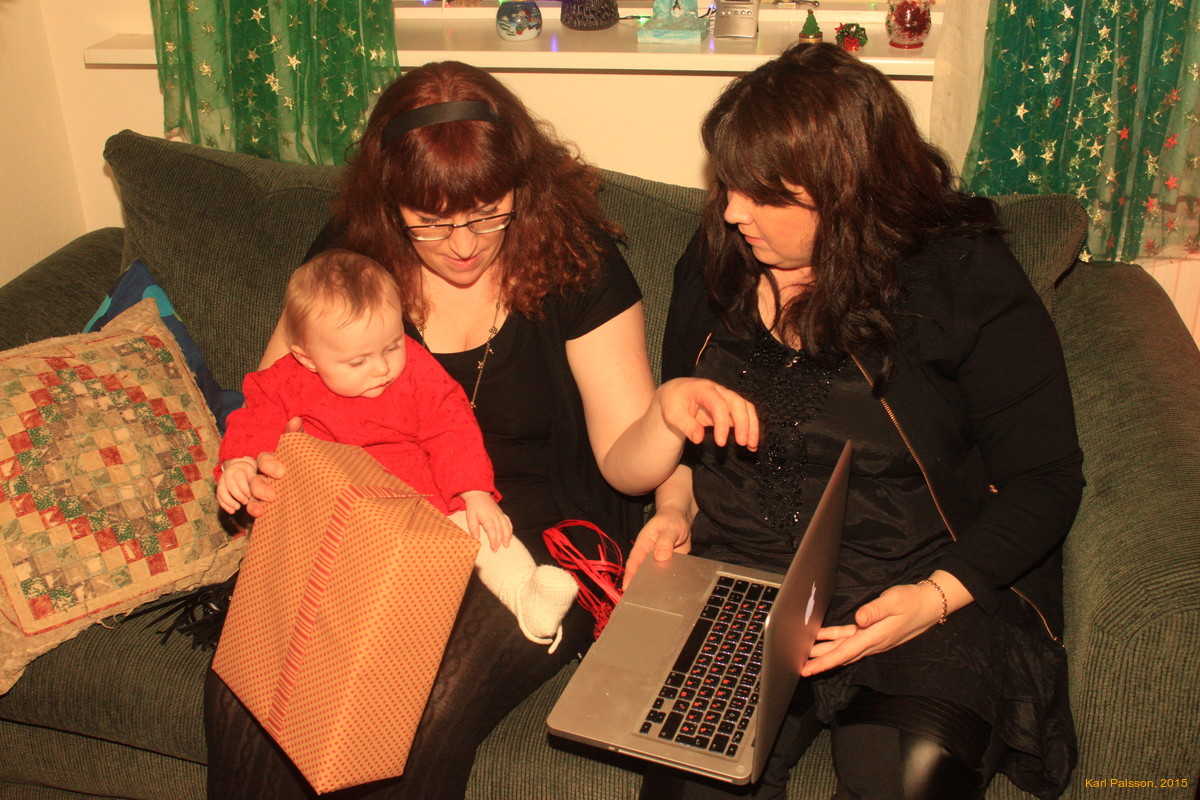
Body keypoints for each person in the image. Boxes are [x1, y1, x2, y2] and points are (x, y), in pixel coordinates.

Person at [620, 43, 1084, 800]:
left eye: (766, 194)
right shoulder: (717, 261)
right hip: (742, 582)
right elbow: (681, 421)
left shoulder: (960, 277)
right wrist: (674, 507)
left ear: (847, 191)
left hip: (914, 589)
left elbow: (1048, 478)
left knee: (905, 784)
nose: (734, 211)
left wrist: (937, 596)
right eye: (730, 185)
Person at [202, 60, 669, 800]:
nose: (462, 243)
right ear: (390, 201)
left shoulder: (577, 260)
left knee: (413, 711)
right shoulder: (350, 254)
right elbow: (280, 399)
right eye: (432, 218)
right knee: (246, 689)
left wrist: (669, 426)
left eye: (487, 211)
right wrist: (261, 467)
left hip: (531, 536)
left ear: (523, 182)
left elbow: (625, 462)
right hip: (376, 520)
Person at [215, 249, 579, 650]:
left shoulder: (417, 370)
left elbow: (451, 428)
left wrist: (473, 493)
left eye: (391, 346)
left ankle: (527, 593)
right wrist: (240, 463)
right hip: (337, 514)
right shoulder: (285, 380)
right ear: (307, 357)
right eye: (358, 361)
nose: (382, 368)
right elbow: (254, 420)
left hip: (423, 503)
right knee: (312, 564)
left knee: (484, 531)